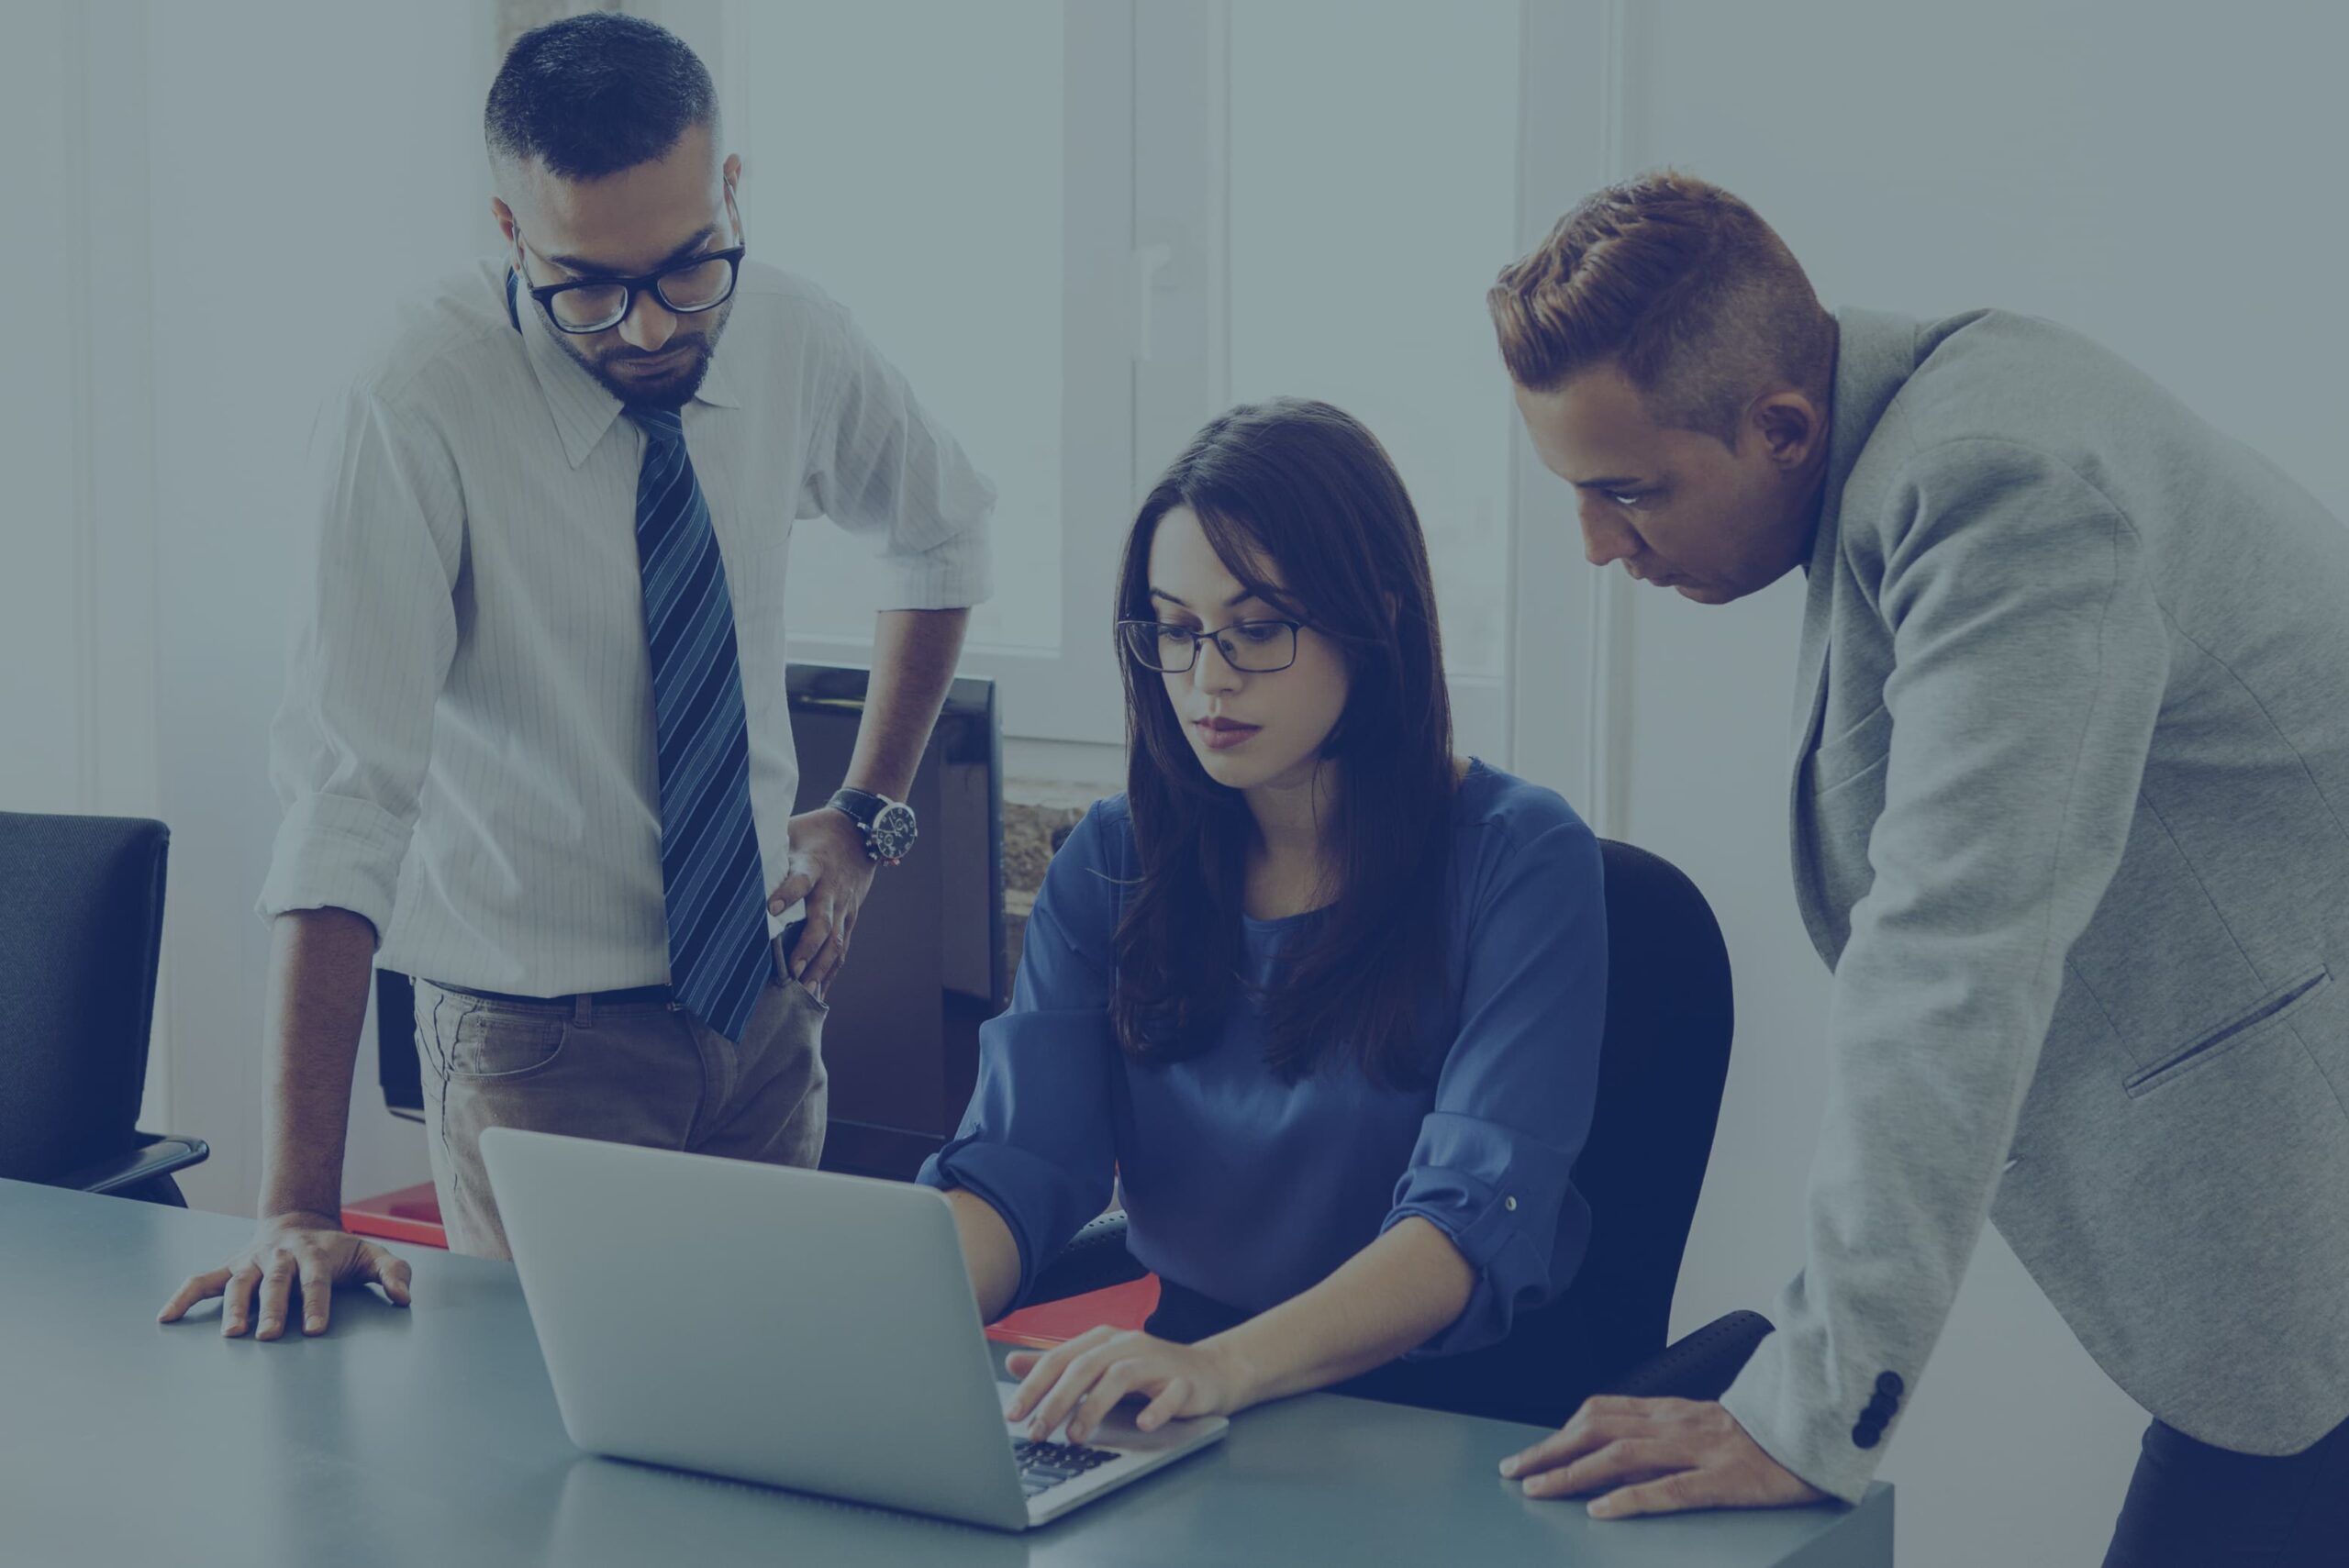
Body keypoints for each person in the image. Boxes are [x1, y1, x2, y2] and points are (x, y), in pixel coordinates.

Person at [1485, 171, 2349, 1562]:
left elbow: (1951, 955)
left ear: (1780, 427)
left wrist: (1804, 1410)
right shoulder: (1932, 438)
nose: (1596, 544)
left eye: (1627, 490)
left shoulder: (2000, 481)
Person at [160, 14, 994, 1332]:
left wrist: (864, 819)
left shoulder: (790, 332)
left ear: (732, 189)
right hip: (538, 1046)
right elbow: (345, 800)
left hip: (767, 1008)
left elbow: (942, 532)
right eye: (588, 287)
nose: (651, 325)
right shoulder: (415, 399)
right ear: (509, 230)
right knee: (558, 1466)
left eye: (687, 270)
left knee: (776, 1411)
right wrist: (297, 1205)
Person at [916, 398, 1609, 1446]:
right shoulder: (1113, 857)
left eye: (1256, 628)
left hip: (1443, 1422)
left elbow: (1466, 1221)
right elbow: (1019, 1164)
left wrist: (1220, 1369)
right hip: (1189, 1395)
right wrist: (872, 1316)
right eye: (1178, 629)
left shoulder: (1519, 856)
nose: (1208, 678)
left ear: (1372, 616)